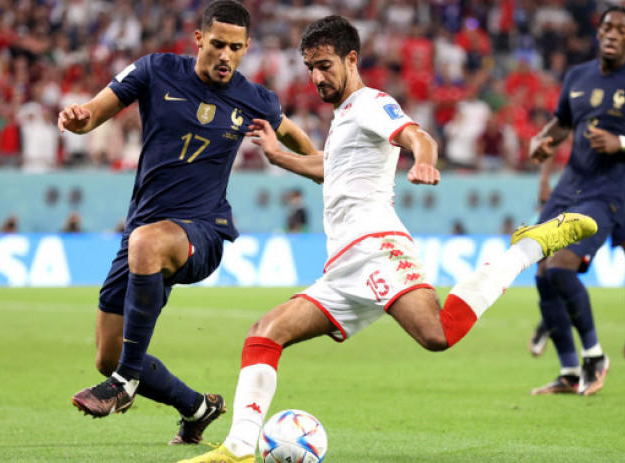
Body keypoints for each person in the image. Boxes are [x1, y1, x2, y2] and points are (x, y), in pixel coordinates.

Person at [178, 15, 597, 463]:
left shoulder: (371, 103)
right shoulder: (343, 117)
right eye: (309, 68)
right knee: (264, 332)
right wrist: (277, 153)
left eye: (324, 65)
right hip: (342, 267)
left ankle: (528, 247)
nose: (317, 77)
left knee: (437, 334)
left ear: (351, 58)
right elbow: (327, 169)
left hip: (378, 248)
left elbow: (417, 136)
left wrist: (424, 160)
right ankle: (239, 448)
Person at [58, 0, 317, 445]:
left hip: (204, 231)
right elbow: (94, 112)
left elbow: (297, 137)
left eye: (236, 48)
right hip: (144, 231)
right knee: (108, 354)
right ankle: (198, 407)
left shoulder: (254, 98)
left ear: (247, 47)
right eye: (217, 44)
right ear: (199, 39)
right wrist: (79, 119)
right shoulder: (155, 70)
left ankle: (125, 385)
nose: (226, 55)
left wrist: (315, 165)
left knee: (145, 247)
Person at [527, 5, 625, 396]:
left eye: (621, 30)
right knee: (541, 273)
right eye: (606, 27)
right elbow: (561, 123)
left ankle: (597, 354)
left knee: (561, 267)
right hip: (568, 185)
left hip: (610, 190)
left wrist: (623, 142)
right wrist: (543, 140)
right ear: (598, 32)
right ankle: (570, 371)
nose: (611, 34)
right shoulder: (577, 76)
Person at [528, 157, 625, 361]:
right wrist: (544, 180)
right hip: (596, 192)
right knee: (567, 265)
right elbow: (559, 131)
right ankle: (549, 323)